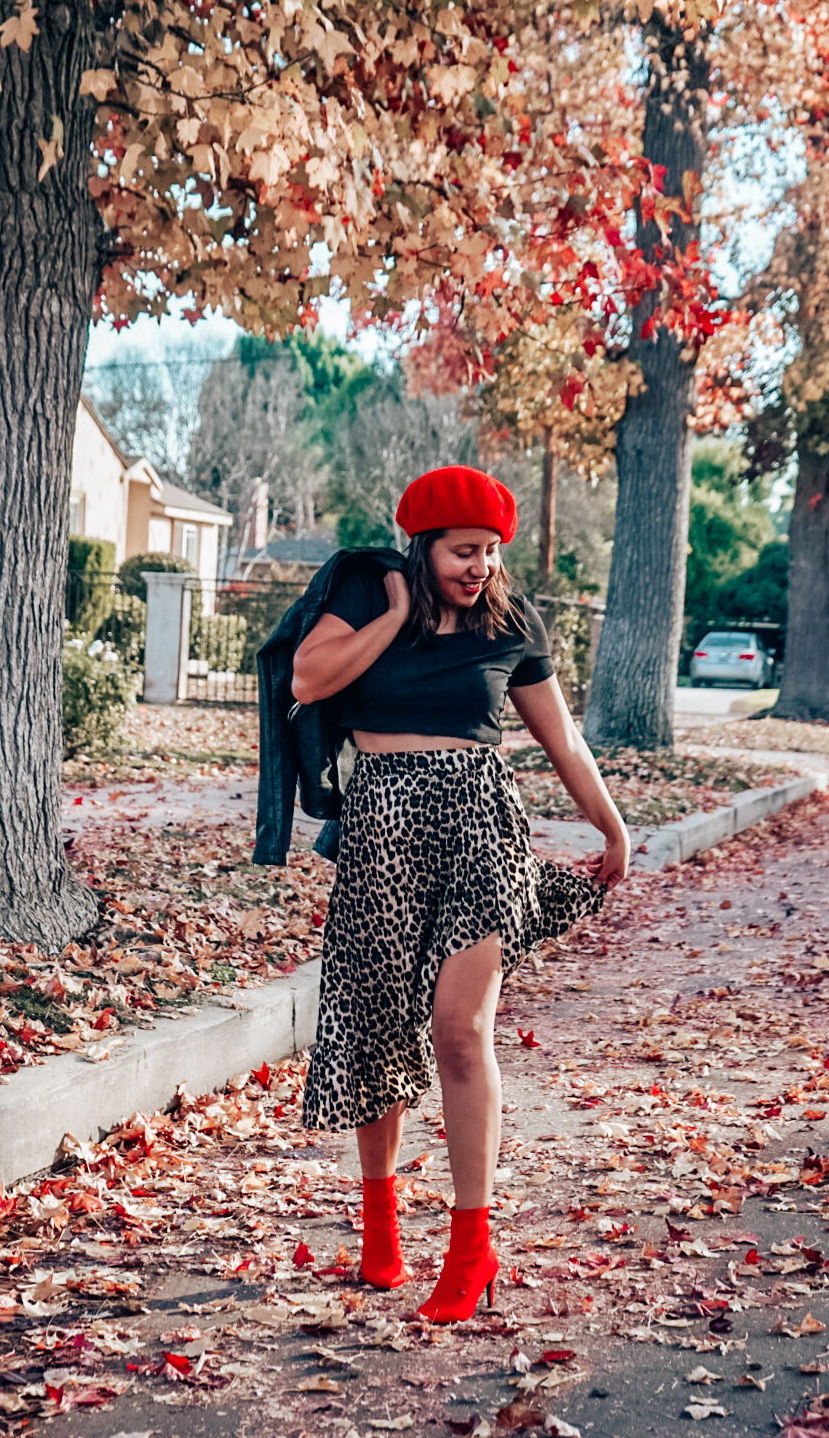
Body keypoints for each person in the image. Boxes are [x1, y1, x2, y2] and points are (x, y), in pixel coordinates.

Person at [291, 466, 629, 1323]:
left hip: (479, 822)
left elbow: (563, 741)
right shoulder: (373, 591)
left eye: (489, 552)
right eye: (463, 551)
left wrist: (611, 825)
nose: (479, 567)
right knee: (376, 1025)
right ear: (424, 544)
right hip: (382, 830)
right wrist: (399, 615)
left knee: (458, 1031)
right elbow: (309, 678)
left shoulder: (511, 621)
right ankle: (379, 1227)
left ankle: (473, 1249)